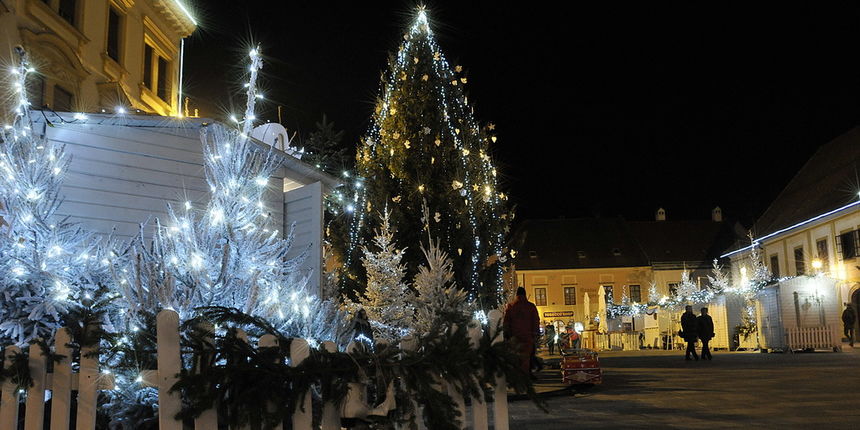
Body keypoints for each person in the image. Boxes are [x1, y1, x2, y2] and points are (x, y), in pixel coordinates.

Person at [503, 287, 540, 376]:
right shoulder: (531, 306)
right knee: (526, 357)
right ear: (525, 294)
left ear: (516, 295)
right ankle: (525, 377)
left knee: (517, 357)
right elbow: (536, 321)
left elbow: (506, 322)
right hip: (528, 336)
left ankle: (518, 377)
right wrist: (535, 334)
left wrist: (507, 335)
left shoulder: (511, 306)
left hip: (514, 337)